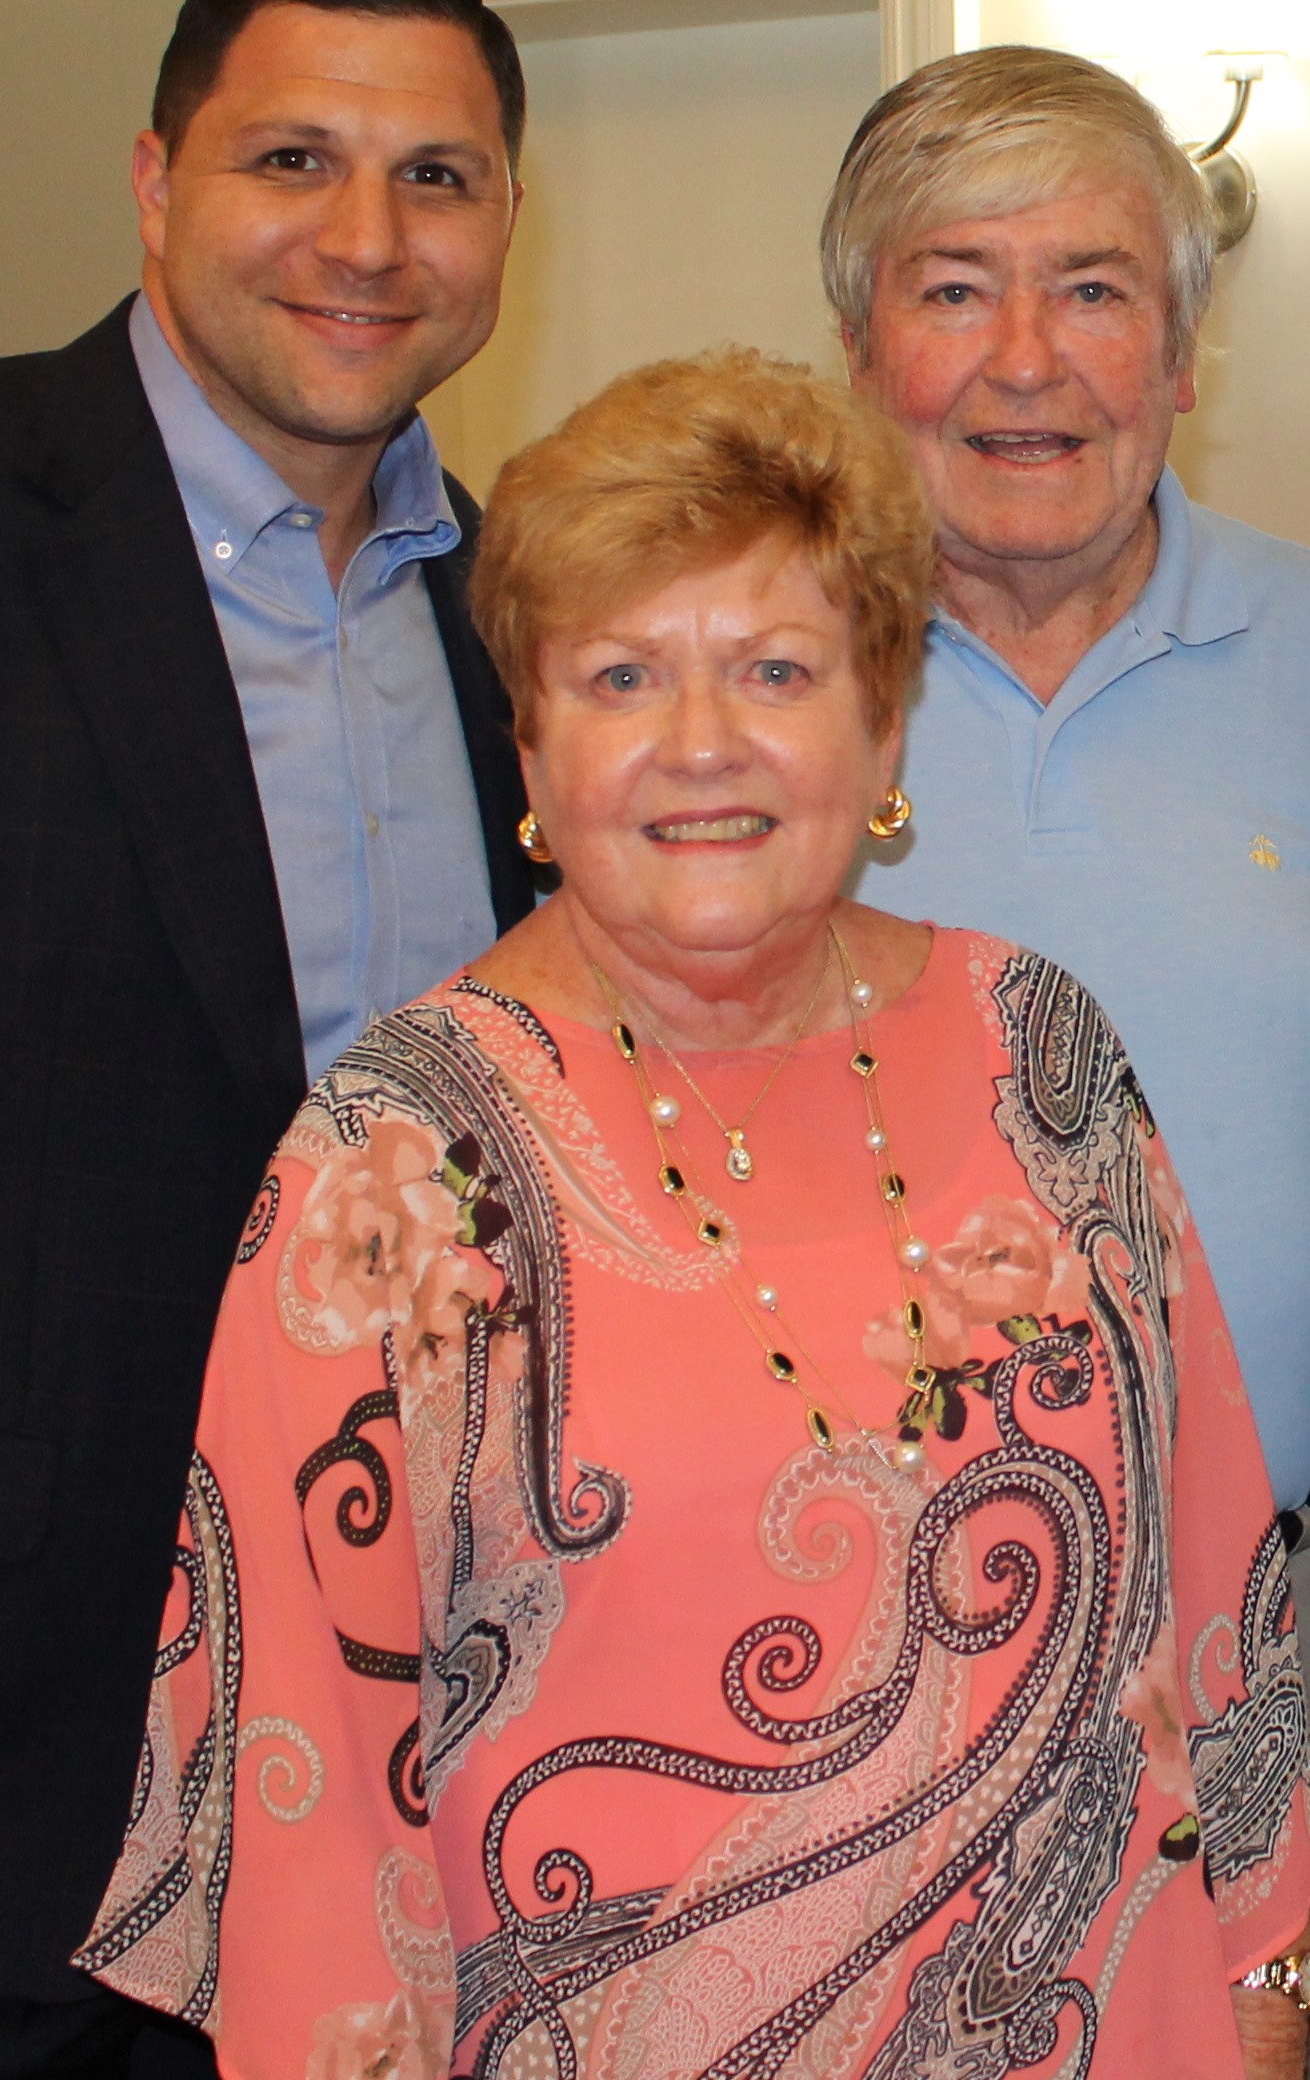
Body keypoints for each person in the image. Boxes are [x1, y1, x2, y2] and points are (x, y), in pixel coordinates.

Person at [80, 351, 1310, 2079]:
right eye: (621, 676)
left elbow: (1219, 1566)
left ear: (883, 726)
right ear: (529, 744)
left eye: (776, 670)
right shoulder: (390, 1171)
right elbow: (306, 1799)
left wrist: (1270, 1982)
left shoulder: (1037, 1047)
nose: (702, 744)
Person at [0, 0, 536, 2077]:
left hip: (412, 1800)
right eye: (290, 158)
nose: (366, 237)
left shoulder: (520, 615)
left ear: (507, 220)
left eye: (434, 175)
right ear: (153, 183)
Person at [825, 44, 1310, 1522]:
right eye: (953, 291)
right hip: (845, 1598)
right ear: (856, 349)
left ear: (1181, 352)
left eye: (1092, 290)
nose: (1025, 359)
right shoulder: (745, 691)